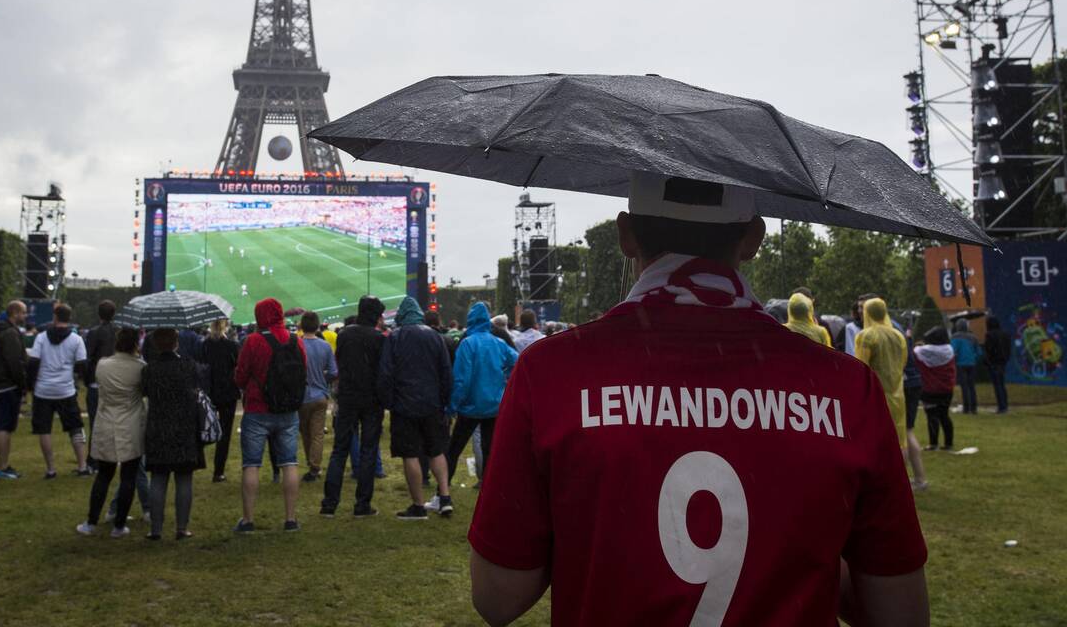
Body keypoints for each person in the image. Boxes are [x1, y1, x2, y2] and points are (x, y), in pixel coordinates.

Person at [468, 174, 928, 626]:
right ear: (753, 238)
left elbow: (498, 597)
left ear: (625, 235)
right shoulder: (846, 387)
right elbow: (900, 611)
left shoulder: (552, 372)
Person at [433, 302, 517, 507]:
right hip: (493, 406)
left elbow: (462, 380)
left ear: (470, 320)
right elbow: (517, 360)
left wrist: (452, 406)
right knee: (490, 451)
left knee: (453, 450)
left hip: (470, 407)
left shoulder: (468, 343)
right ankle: (490, 496)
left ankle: (442, 495)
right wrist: (502, 379)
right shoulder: (498, 342)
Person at [377, 297, 453, 520]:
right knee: (436, 450)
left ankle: (418, 505)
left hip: (405, 404)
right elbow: (446, 371)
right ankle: (445, 497)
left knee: (410, 453)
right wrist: (445, 400)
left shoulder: (396, 337)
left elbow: (385, 372)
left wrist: (388, 401)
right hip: (432, 403)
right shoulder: (435, 336)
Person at [233, 297, 305, 533]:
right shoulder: (295, 340)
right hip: (287, 410)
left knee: (251, 464)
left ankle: (248, 519)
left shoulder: (253, 341)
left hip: (257, 409)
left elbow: (240, 376)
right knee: (289, 462)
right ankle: (291, 519)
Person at [76, 328, 145, 537]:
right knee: (128, 477)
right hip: (129, 424)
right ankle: (118, 525)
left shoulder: (103, 365)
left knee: (104, 476)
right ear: (136, 344)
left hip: (107, 421)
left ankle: (91, 521)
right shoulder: (140, 367)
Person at [855, 298, 928, 491]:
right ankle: (899, 482)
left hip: (875, 395)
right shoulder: (898, 336)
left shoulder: (866, 336)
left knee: (875, 439)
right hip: (898, 393)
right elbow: (902, 363)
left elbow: (860, 368)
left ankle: (882, 483)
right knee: (900, 438)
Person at [322, 297, 385, 518]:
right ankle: (362, 504)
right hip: (369, 399)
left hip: (348, 397)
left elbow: (341, 362)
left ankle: (329, 504)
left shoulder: (346, 334)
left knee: (340, 450)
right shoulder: (378, 338)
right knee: (368, 450)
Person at [142, 328, 205, 540]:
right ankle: (181, 527)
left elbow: (145, 391)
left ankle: (156, 529)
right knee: (184, 478)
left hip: (159, 427)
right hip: (183, 427)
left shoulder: (150, 369)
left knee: (158, 478)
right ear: (176, 342)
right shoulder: (187, 366)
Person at [28, 303, 91, 478]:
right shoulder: (76, 339)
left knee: (44, 430)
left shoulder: (41, 337)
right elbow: (82, 365)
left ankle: (50, 469)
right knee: (75, 427)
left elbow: (33, 362)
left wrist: (30, 385)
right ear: (69, 318)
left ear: (55, 317)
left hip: (43, 389)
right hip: (65, 389)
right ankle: (82, 466)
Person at [0, 300, 28, 479]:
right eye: (24, 312)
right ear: (15, 313)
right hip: (7, 386)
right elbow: (14, 362)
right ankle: (3, 467)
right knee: (5, 427)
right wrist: (22, 384)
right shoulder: (10, 334)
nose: (25, 316)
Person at [198, 318, 240, 482]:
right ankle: (218, 470)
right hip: (225, 392)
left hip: (210, 391)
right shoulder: (230, 346)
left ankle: (213, 468)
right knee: (225, 432)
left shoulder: (205, 345)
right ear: (225, 326)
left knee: (204, 426)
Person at [299, 311, 337, 482]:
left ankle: (313, 466)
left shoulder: (298, 345)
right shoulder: (324, 346)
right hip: (319, 395)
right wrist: (324, 378)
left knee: (308, 433)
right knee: (316, 434)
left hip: (304, 396)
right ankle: (314, 466)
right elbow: (334, 371)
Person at [83, 300, 118, 472]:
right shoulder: (118, 332)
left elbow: (88, 358)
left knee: (96, 423)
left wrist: (87, 379)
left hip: (98, 382)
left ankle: (94, 460)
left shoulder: (95, 333)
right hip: (114, 382)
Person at [914, 327, 956, 450]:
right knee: (944, 415)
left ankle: (933, 444)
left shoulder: (922, 351)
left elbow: (915, 352)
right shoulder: (949, 350)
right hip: (947, 389)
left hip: (929, 389)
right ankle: (948, 443)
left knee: (931, 416)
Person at [951, 319, 982, 414]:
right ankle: (974, 408)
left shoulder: (955, 336)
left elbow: (953, 350)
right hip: (972, 364)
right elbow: (979, 353)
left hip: (961, 364)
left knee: (964, 386)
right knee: (972, 386)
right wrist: (973, 358)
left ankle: (966, 408)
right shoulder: (973, 337)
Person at [983, 316, 1011, 413]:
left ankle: (1001, 407)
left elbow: (988, 350)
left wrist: (988, 362)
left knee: (997, 385)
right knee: (1002, 384)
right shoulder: (1005, 334)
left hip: (994, 363)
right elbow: (1008, 349)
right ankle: (1005, 405)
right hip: (1002, 362)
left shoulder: (990, 335)